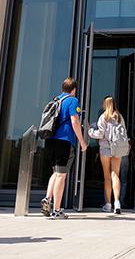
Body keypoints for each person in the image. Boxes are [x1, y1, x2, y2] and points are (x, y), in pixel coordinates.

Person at [40, 77, 87, 219]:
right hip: (64, 142)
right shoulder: (73, 100)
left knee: (56, 172)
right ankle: (57, 210)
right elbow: (75, 121)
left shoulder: (56, 100)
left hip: (50, 141)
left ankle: (48, 199)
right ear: (74, 89)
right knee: (61, 175)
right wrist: (82, 142)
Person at [87, 96, 130, 214]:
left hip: (106, 149)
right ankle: (117, 202)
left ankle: (108, 204)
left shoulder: (103, 116)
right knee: (115, 174)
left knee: (107, 176)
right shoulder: (119, 117)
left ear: (105, 104)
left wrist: (90, 131)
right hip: (118, 148)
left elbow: (100, 134)